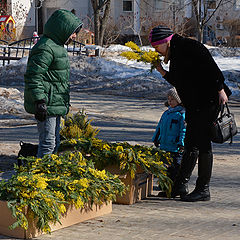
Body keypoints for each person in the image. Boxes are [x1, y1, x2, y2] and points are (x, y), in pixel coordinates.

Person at [149, 25, 231, 202]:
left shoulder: (189, 46)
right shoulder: (176, 54)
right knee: (190, 144)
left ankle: (203, 189)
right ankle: (180, 185)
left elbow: (211, 67)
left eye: (156, 47)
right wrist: (161, 70)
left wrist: (220, 89)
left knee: (202, 143)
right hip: (195, 104)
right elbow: (179, 81)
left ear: (166, 41)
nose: (156, 51)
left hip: (209, 100)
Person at [24, 9, 83, 158]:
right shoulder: (45, 48)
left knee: (55, 142)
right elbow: (34, 76)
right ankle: (40, 177)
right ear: (61, 29)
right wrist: (39, 100)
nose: (74, 36)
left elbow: (57, 79)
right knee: (48, 143)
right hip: (46, 104)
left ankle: (49, 174)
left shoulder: (57, 47)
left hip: (55, 103)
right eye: (73, 32)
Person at [152, 87, 186, 196]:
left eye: (173, 99)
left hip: (175, 147)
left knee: (175, 169)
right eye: (169, 99)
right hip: (164, 145)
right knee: (165, 168)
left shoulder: (181, 114)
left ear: (179, 100)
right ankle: (166, 187)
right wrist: (156, 138)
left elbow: (183, 130)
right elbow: (159, 127)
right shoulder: (166, 113)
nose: (170, 101)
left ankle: (175, 189)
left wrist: (181, 143)